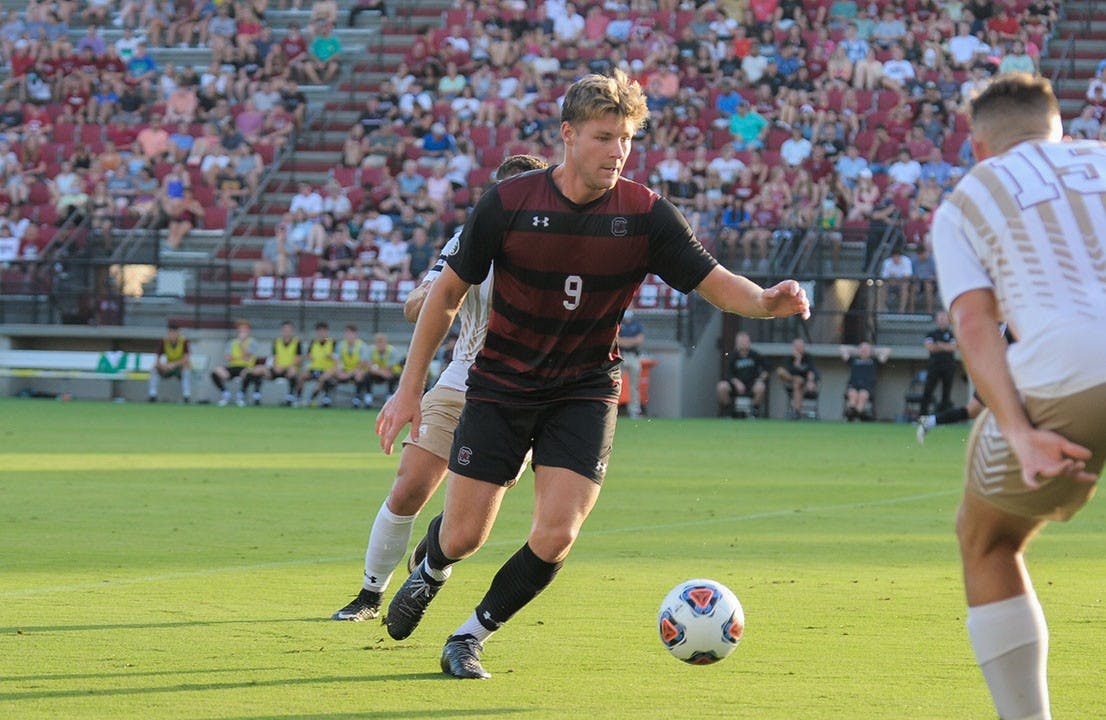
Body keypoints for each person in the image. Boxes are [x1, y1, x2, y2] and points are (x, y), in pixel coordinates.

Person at [374, 70, 809, 680]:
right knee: (466, 533)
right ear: (569, 135)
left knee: (557, 533)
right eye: (605, 137)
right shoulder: (509, 203)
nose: (618, 151)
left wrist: (766, 301)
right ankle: (432, 568)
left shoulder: (646, 214)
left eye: (627, 138)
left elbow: (715, 282)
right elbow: (445, 296)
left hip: (584, 388)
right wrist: (408, 389)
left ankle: (470, 636)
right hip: (500, 383)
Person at [930, 73, 1106, 720]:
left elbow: (976, 325)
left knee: (988, 540)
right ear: (1057, 127)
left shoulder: (966, 199)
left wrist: (1020, 431)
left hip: (1076, 373)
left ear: (979, 146)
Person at [331, 155, 549, 624]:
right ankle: (369, 596)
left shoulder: (558, 245)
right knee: (409, 484)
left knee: (464, 532)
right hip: (459, 382)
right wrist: (437, 293)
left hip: (518, 395)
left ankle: (434, 550)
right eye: (502, 193)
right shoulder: (470, 241)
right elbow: (416, 304)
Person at [715, 331, 769, 418]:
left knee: (761, 387)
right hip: (735, 385)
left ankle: (754, 411)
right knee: (721, 386)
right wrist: (736, 382)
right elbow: (728, 373)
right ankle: (728, 411)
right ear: (737, 343)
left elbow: (767, 368)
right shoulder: (732, 356)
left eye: (745, 341)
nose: (743, 344)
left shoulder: (755, 355)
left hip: (751, 384)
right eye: (741, 342)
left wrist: (761, 378)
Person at [211, 320, 260, 407]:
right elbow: (227, 358)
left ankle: (241, 395)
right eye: (241, 329)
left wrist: (241, 345)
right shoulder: (232, 342)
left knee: (248, 373)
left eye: (245, 330)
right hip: (233, 366)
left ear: (249, 331)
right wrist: (240, 357)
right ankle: (225, 393)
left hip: (245, 367)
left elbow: (248, 354)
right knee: (216, 371)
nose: (243, 332)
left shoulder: (253, 342)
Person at [252, 320, 302, 407]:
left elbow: (298, 359)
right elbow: (273, 357)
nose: (287, 332)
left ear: (292, 331)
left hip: (288, 369)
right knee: (258, 370)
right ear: (282, 330)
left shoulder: (297, 342)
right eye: (285, 329)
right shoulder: (277, 341)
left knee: (293, 372)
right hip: (277, 368)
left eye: (289, 329)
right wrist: (275, 366)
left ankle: (290, 397)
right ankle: (257, 396)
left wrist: (286, 367)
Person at [919, 310, 958, 419]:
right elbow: (930, 347)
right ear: (936, 320)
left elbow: (953, 347)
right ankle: (922, 417)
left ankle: (943, 419)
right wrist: (945, 346)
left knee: (946, 393)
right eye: (940, 318)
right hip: (934, 366)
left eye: (944, 318)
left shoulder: (952, 334)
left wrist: (939, 345)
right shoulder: (931, 334)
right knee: (928, 391)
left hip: (948, 366)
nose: (942, 321)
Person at [322, 324, 372, 409]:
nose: (348, 336)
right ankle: (326, 397)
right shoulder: (341, 345)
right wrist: (339, 371)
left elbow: (362, 363)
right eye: (347, 333)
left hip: (356, 370)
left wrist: (350, 373)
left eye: (350, 333)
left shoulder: (362, 345)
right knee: (328, 373)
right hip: (344, 370)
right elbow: (338, 360)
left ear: (355, 334)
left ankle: (357, 398)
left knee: (359, 375)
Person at [839, 341, 891, 420]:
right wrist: (858, 350)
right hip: (854, 385)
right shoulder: (853, 360)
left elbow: (887, 350)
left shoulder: (874, 361)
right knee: (852, 393)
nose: (864, 351)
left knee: (862, 395)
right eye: (862, 349)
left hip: (867, 386)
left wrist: (872, 351)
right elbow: (842, 348)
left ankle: (853, 415)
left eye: (866, 349)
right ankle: (856, 414)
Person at [776, 337, 819, 420]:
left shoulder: (808, 357)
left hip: (805, 384)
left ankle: (796, 412)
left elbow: (812, 371)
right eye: (797, 346)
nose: (799, 348)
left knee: (798, 381)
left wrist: (811, 381)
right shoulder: (789, 358)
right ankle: (796, 412)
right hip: (791, 381)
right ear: (793, 347)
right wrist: (797, 360)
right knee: (780, 371)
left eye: (800, 346)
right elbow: (790, 371)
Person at [148, 322, 192, 403]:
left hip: (179, 367)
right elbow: (157, 357)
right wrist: (161, 366)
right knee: (154, 369)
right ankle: (152, 395)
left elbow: (186, 358)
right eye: (170, 332)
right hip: (168, 367)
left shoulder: (183, 341)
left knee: (186, 369)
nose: (172, 335)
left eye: (174, 332)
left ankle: (186, 396)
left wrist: (174, 364)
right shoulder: (164, 341)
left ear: (178, 333)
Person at [296, 322, 337, 407]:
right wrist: (309, 357)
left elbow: (337, 358)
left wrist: (331, 357)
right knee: (301, 376)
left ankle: (312, 399)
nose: (321, 333)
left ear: (327, 332)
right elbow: (308, 355)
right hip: (314, 368)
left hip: (326, 369)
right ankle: (298, 398)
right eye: (319, 331)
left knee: (322, 378)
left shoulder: (332, 343)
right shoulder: (313, 343)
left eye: (323, 331)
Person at [617, 309, 645, 419]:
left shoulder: (636, 325)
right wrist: (630, 341)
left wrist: (625, 341)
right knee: (615, 385)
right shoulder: (619, 323)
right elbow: (617, 340)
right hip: (621, 355)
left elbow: (639, 340)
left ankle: (634, 411)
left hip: (633, 356)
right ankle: (612, 409)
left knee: (634, 385)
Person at [365, 332, 403, 405]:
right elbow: (369, 365)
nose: (380, 345)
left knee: (393, 376)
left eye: (382, 342)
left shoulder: (392, 351)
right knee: (367, 375)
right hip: (378, 373)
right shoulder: (371, 351)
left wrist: (376, 369)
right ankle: (368, 397)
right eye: (378, 342)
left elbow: (390, 368)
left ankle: (390, 396)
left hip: (390, 373)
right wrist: (380, 372)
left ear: (386, 343)